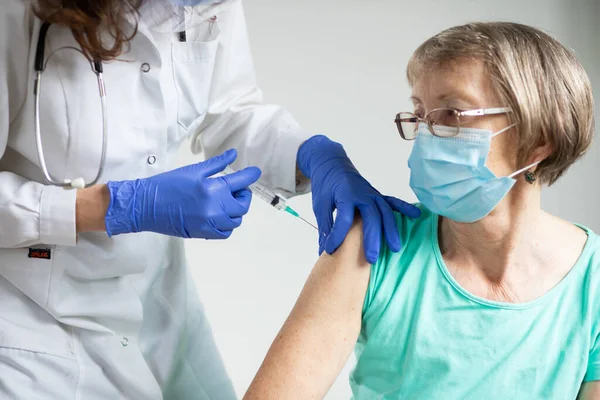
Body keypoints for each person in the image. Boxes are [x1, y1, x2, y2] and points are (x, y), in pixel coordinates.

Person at [0, 0, 420, 398]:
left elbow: (229, 111)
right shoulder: (16, 13)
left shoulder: (203, 4)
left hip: (155, 298)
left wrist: (311, 157)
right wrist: (119, 205)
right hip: (31, 312)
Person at [243, 22, 600, 399]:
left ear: (538, 142)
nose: (427, 135)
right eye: (420, 114)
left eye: (451, 114)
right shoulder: (375, 248)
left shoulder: (592, 281)